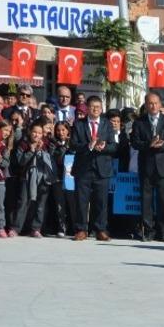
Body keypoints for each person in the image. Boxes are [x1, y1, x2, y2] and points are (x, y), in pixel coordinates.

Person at [130, 92, 164, 242]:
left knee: (163, 201)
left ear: (160, 104)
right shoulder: (139, 122)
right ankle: (148, 231)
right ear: (146, 105)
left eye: (156, 103)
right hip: (146, 166)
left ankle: (163, 232)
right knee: (146, 200)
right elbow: (135, 143)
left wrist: (162, 145)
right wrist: (148, 144)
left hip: (163, 166)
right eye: (150, 103)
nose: (153, 106)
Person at [70, 96, 116, 241]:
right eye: (92, 106)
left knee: (101, 201)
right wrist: (88, 146)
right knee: (81, 200)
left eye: (98, 107)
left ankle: (100, 229)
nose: (95, 109)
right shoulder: (79, 124)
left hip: (102, 168)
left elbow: (113, 146)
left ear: (102, 109)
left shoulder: (107, 124)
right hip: (83, 168)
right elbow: (73, 145)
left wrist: (104, 147)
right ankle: (81, 229)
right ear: (87, 108)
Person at [11, 122, 55, 237]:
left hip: (43, 177)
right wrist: (31, 151)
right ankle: (16, 228)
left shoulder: (47, 145)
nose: (36, 135)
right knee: (23, 202)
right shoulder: (23, 144)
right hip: (26, 177)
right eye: (34, 132)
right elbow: (20, 162)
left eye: (40, 133)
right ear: (30, 132)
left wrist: (42, 150)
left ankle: (36, 228)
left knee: (41, 204)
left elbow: (51, 161)